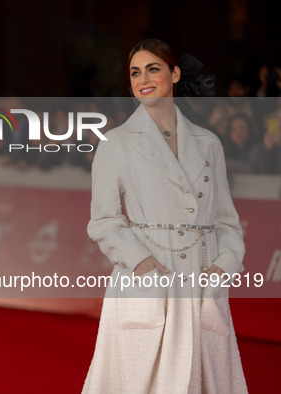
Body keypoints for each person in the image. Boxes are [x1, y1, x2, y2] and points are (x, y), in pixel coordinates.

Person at [82, 39, 247, 393]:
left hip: (201, 280)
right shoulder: (116, 143)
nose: (143, 78)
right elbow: (104, 220)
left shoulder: (208, 143)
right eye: (135, 72)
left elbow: (227, 222)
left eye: (153, 68)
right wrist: (140, 262)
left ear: (174, 74)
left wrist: (224, 265)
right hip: (150, 274)